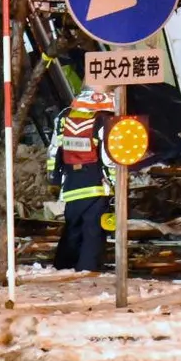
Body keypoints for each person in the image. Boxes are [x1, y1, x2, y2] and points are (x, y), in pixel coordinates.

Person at [47, 88, 118, 272]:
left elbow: (54, 150)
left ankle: (62, 266)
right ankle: (88, 271)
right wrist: (116, 184)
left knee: (72, 227)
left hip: (71, 183)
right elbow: (108, 157)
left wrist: (54, 178)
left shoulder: (65, 116)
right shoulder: (103, 118)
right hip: (96, 184)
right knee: (93, 231)